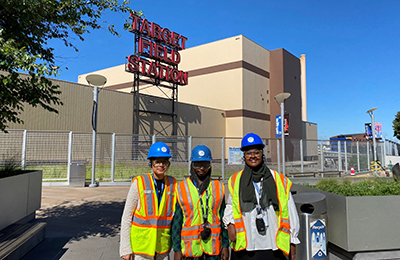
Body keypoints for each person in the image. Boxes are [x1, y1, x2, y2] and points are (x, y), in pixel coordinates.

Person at [223, 133, 300, 260]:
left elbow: (289, 210)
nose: (252, 156)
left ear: (262, 154)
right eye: (248, 153)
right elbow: (231, 204)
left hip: (272, 245)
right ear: (244, 156)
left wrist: (292, 240)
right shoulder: (236, 179)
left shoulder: (278, 179)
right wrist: (230, 224)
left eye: (256, 152)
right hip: (246, 246)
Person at [120, 142, 177, 260]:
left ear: (168, 164)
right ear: (151, 164)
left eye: (164, 162)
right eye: (157, 162)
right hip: (141, 249)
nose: (161, 165)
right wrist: (125, 248)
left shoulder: (173, 184)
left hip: (162, 248)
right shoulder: (139, 182)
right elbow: (127, 216)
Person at [172, 145, 229, 260]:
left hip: (213, 249)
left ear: (210, 165)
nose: (201, 168)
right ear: (192, 165)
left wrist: (225, 245)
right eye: (198, 164)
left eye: (205, 165)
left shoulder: (218, 187)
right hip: (190, 251)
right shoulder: (182, 188)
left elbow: (223, 219)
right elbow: (177, 223)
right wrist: (177, 249)